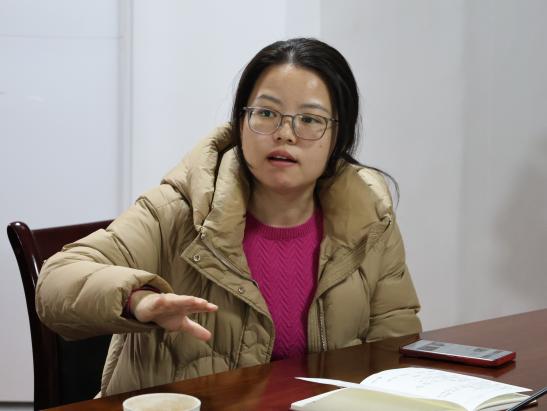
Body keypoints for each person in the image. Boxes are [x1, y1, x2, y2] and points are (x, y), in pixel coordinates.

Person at [36, 38, 421, 396]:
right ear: (240, 122)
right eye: (266, 113)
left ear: (338, 136)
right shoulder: (180, 208)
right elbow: (56, 281)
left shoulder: (369, 221)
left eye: (309, 119)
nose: (285, 133)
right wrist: (136, 300)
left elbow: (393, 349)